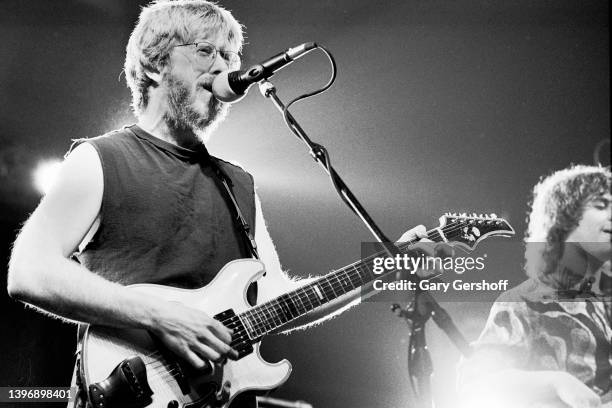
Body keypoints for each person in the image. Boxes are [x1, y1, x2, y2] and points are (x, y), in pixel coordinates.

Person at [6, 1, 427, 406]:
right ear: (155, 64)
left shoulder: (238, 182)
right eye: (205, 52)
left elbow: (275, 298)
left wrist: (386, 267)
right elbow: (29, 271)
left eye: (229, 56)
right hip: (130, 390)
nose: (225, 68)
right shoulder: (100, 159)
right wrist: (159, 316)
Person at [458, 165, 612, 408]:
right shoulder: (523, 302)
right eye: (601, 205)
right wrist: (555, 382)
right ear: (564, 218)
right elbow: (476, 384)